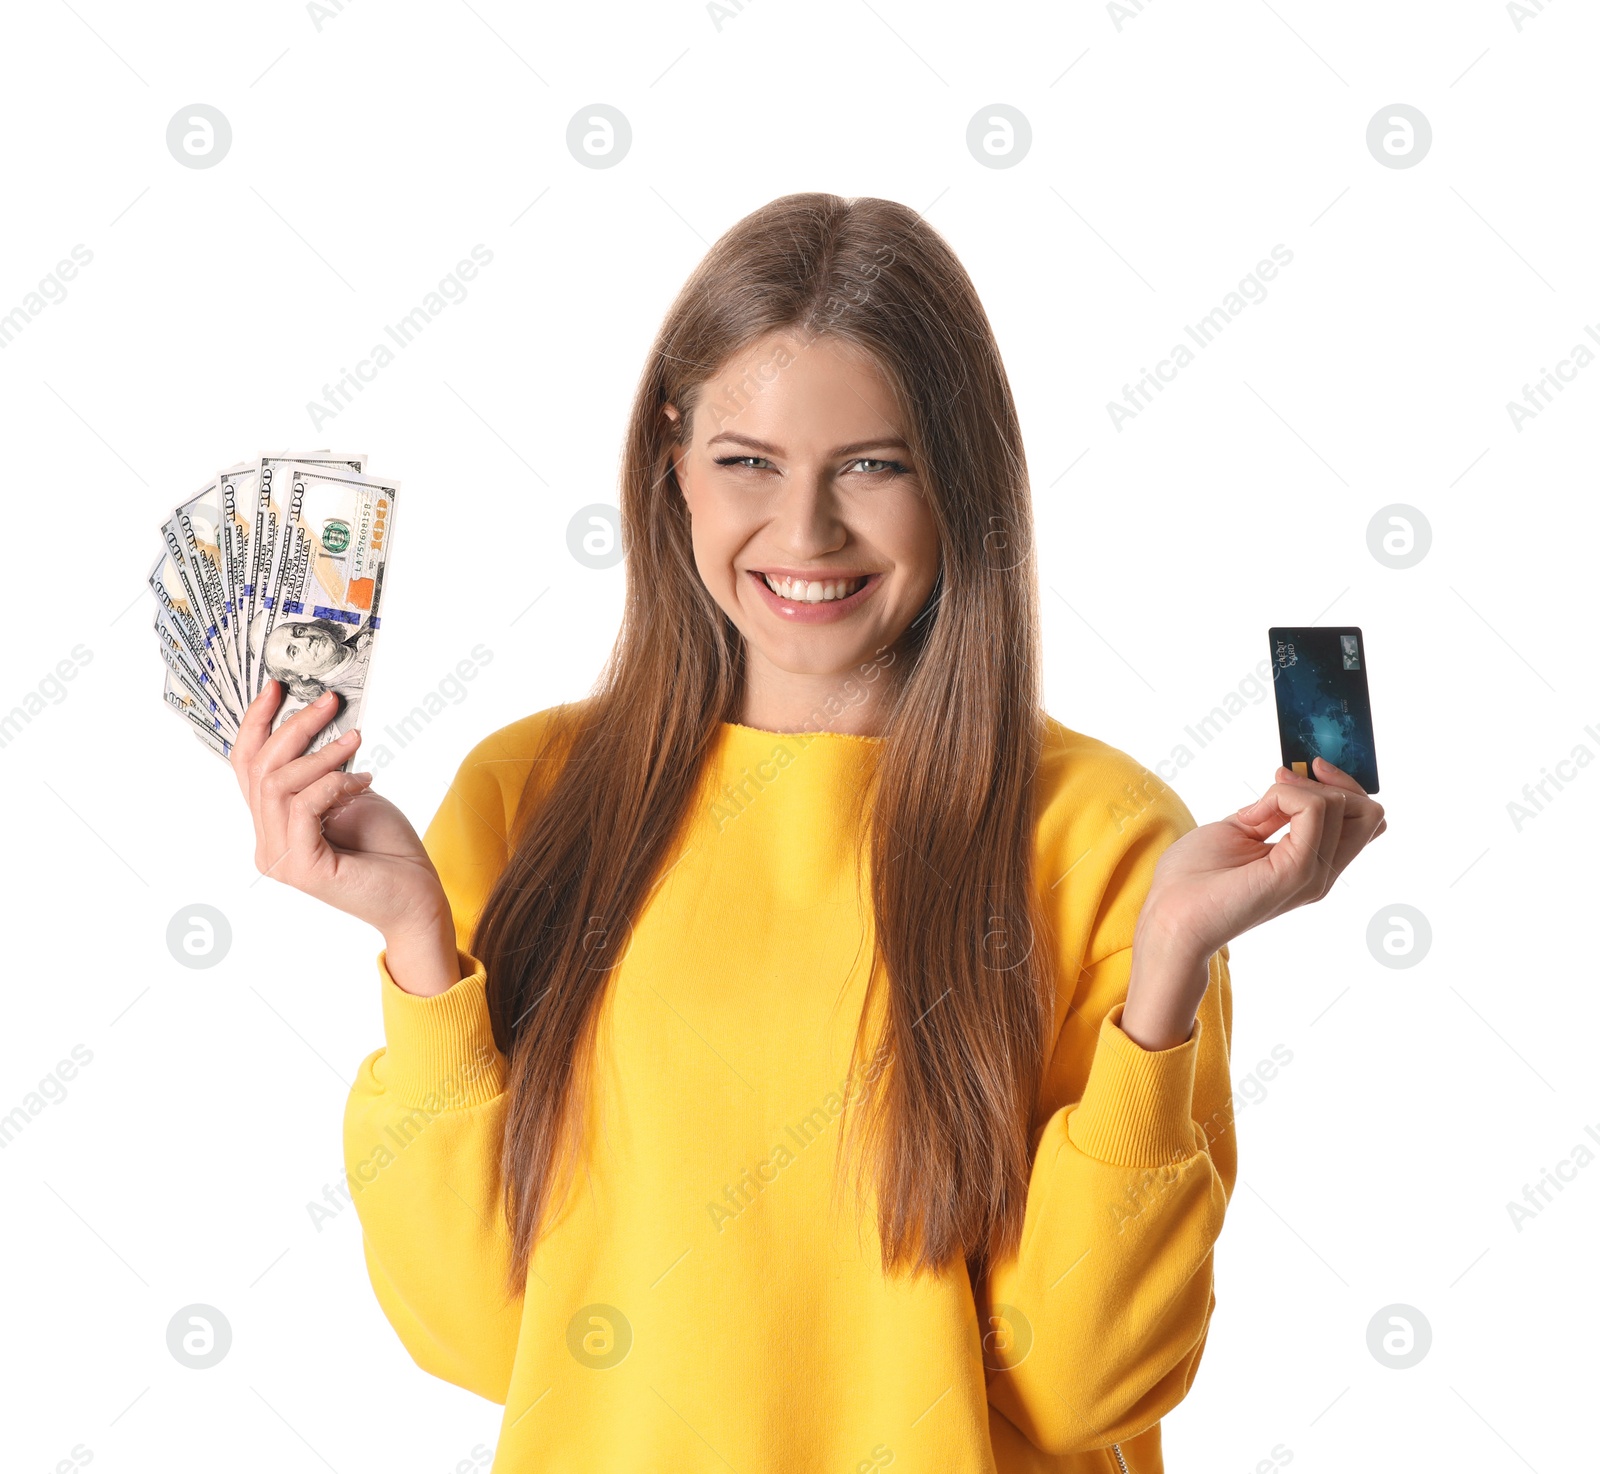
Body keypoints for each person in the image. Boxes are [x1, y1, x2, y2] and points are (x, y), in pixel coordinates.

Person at [231, 193, 1385, 1473]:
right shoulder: (525, 797)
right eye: (749, 462)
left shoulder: (1106, 839)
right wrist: (417, 948)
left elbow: (1082, 1389)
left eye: (874, 465)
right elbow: (477, 1334)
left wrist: (1166, 972)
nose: (805, 534)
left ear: (963, 479)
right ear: (669, 457)